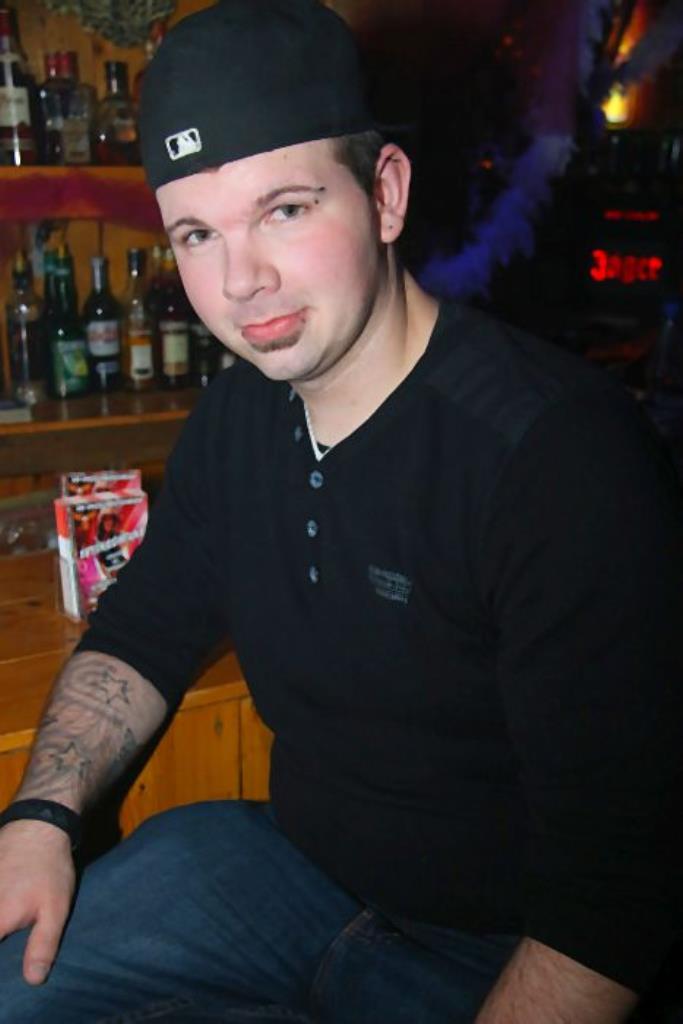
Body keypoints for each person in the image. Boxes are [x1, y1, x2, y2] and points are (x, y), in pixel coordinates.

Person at [0, 2, 682, 1021]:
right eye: (198, 233)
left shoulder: (557, 457)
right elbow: (142, 631)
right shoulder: (236, 415)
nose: (241, 282)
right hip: (290, 878)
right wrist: (40, 814)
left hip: (495, 951)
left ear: (385, 194)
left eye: (284, 209)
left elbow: (615, 895)